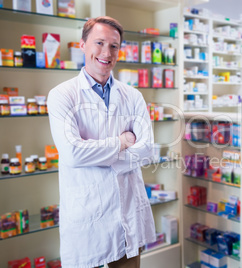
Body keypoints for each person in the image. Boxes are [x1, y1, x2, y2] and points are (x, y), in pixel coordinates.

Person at [47, 16, 156, 268]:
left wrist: (98, 157)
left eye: (114, 46)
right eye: (99, 43)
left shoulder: (133, 96)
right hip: (87, 217)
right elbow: (72, 153)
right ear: (82, 44)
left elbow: (146, 150)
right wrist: (121, 141)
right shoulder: (62, 96)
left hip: (127, 214)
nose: (106, 53)